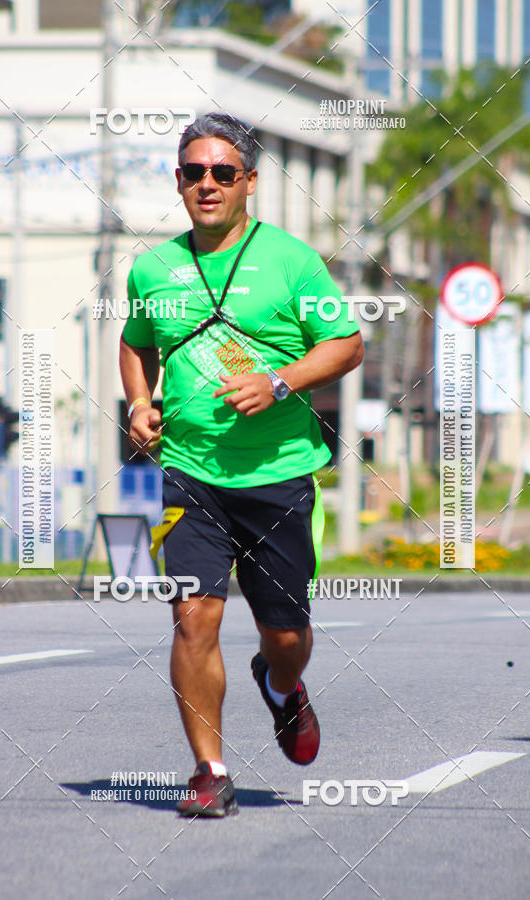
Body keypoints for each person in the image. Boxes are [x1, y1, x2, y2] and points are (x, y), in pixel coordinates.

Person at [119, 112, 363, 818]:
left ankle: (282, 684)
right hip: (190, 473)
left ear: (249, 181)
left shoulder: (292, 261)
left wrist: (279, 381)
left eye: (223, 172)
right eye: (194, 172)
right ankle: (210, 770)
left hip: (278, 475)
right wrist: (139, 403)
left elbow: (346, 345)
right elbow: (136, 342)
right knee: (193, 617)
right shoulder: (152, 268)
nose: (208, 183)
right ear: (178, 181)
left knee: (285, 635)